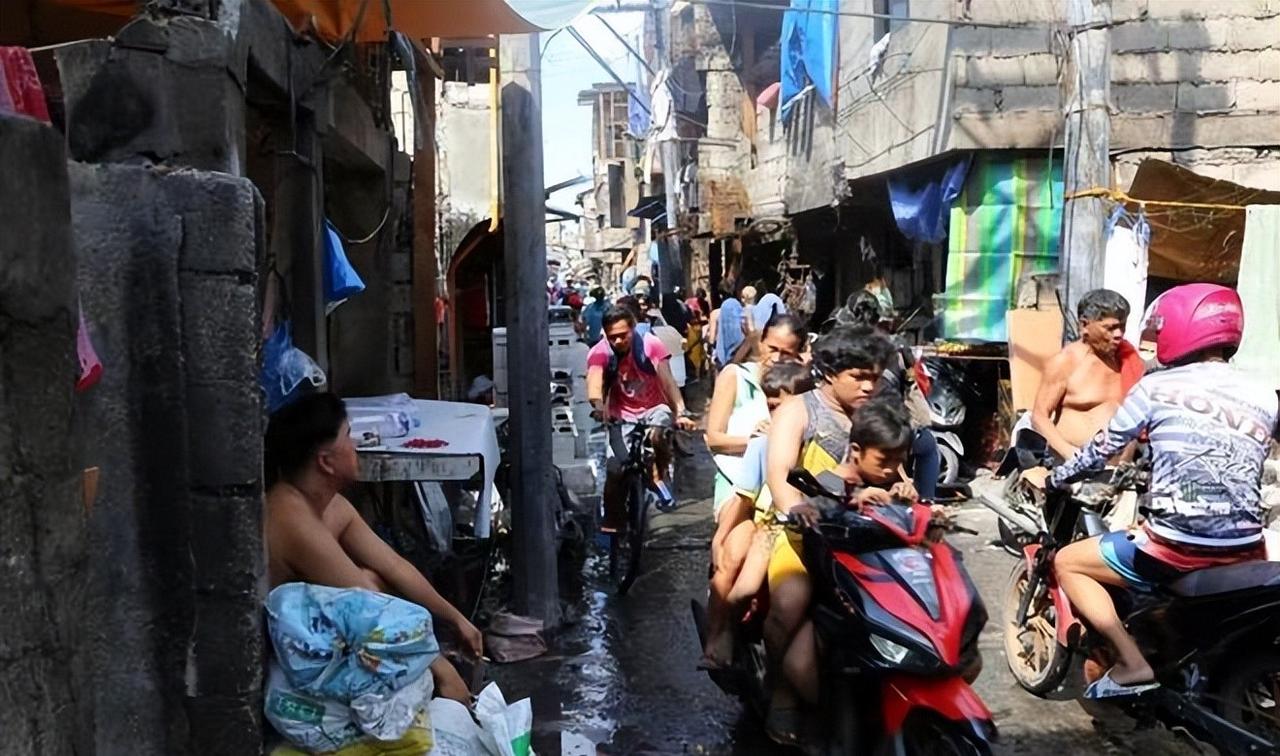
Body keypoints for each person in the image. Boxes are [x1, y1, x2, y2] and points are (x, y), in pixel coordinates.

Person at [1050, 284, 1279, 699]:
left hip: (1177, 550)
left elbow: (1103, 447)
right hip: (1245, 547)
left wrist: (1056, 476)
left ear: (1180, 329)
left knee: (1067, 562)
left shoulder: (1155, 387)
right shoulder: (1265, 394)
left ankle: (1131, 662)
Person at [264, 392, 481, 703]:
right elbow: (368, 604)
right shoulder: (291, 516)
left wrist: (457, 619)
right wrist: (442, 669)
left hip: (333, 625)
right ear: (326, 462)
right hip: (291, 654)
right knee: (371, 587)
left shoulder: (331, 505)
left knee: (377, 578)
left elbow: (394, 566)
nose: (356, 445)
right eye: (348, 436)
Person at [760, 327, 889, 745]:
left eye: (874, 377)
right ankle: (779, 692)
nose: (868, 386)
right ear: (830, 374)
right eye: (858, 376)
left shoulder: (879, 412)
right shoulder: (798, 410)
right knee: (787, 606)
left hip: (867, 537)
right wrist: (796, 509)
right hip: (805, 535)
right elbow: (780, 474)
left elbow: (899, 467)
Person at [780, 400, 918, 709]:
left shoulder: (894, 482)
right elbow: (812, 505)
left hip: (887, 595)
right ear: (856, 450)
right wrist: (855, 498)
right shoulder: (828, 480)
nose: (890, 468)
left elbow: (917, 526)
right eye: (883, 459)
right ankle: (791, 709)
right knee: (799, 666)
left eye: (898, 460)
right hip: (835, 597)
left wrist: (908, 500)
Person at [701, 359, 814, 669]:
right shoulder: (762, 442)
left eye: (781, 406)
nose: (775, 413)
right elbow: (744, 497)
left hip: (811, 527)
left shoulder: (823, 436)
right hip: (767, 523)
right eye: (771, 406)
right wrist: (721, 537)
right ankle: (722, 634)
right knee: (737, 572)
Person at [587, 306, 697, 525]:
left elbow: (668, 382)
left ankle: (659, 474)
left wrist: (681, 412)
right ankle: (611, 524)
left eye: (623, 335)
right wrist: (599, 407)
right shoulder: (600, 352)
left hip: (655, 408)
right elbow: (594, 385)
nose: (618, 341)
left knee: (658, 435)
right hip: (621, 416)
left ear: (633, 329)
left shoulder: (650, 344)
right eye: (613, 337)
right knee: (614, 471)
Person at [705, 314, 806, 550]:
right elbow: (714, 439)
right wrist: (760, 440)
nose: (777, 359)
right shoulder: (736, 376)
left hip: (782, 486)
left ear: (799, 354)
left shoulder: (801, 384)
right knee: (738, 549)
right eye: (772, 349)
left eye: (787, 353)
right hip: (735, 483)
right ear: (760, 342)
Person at [843, 292, 942, 499]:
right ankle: (927, 499)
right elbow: (820, 484)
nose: (868, 386)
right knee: (926, 443)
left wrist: (904, 490)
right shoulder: (896, 346)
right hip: (882, 425)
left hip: (886, 424)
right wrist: (856, 495)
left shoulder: (842, 345)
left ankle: (925, 502)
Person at [1032, 289, 1145, 462]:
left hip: (1121, 470)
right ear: (1085, 325)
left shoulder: (1127, 361)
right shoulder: (1065, 362)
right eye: (1110, 328)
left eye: (1122, 326)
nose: (1118, 335)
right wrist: (1071, 455)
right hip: (1075, 468)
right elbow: (1039, 417)